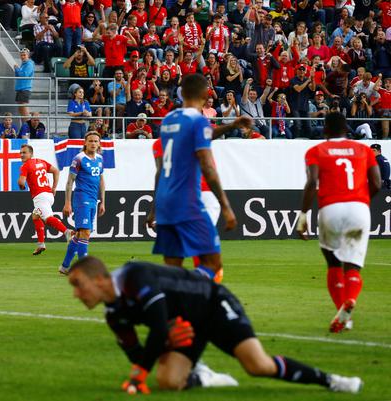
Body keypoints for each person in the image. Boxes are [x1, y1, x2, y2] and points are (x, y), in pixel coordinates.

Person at [67, 256, 364, 394]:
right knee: (169, 382)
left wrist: (139, 375)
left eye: (78, 285)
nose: (76, 294)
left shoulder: (134, 277)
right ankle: (206, 377)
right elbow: (138, 352)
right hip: (185, 322)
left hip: (213, 305)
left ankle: (332, 381)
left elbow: (157, 331)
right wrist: (147, 364)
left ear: (100, 279)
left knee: (257, 366)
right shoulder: (113, 315)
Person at [296, 112, 381, 334]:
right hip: (359, 208)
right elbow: (377, 182)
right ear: (347, 130)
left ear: (325, 130)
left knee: (333, 263)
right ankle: (350, 300)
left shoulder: (315, 151)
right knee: (352, 266)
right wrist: (362, 201)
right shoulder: (363, 150)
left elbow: (312, 181)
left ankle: (344, 315)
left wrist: (303, 215)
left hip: (330, 209)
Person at [147, 74, 236, 281]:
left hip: (167, 203)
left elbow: (160, 171)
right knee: (213, 265)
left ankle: (173, 310)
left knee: (172, 267)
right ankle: (193, 296)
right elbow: (207, 165)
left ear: (181, 93)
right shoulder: (199, 121)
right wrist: (225, 205)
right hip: (188, 201)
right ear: (206, 95)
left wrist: (155, 208)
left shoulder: (168, 121)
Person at [59, 132, 105, 274]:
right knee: (85, 232)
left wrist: (103, 201)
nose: (93, 143)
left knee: (81, 234)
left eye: (96, 141)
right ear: (85, 143)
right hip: (81, 198)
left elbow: (101, 181)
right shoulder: (78, 159)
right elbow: (69, 182)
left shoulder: (100, 159)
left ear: (99, 143)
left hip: (93, 199)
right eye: (90, 141)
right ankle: (84, 269)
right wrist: (67, 202)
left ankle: (65, 267)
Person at [18, 144, 73, 255]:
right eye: (21, 153)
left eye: (24, 152)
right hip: (48, 195)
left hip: (40, 197)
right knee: (35, 216)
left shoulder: (25, 166)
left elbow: (21, 182)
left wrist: (22, 186)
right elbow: (56, 171)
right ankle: (41, 244)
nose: (22, 155)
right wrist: (54, 187)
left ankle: (67, 232)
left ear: (31, 154)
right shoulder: (41, 162)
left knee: (48, 219)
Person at [14, 48, 34, 121]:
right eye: (21, 55)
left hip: (25, 89)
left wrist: (17, 69)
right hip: (20, 89)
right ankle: (25, 127)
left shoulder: (29, 64)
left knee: (24, 110)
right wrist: (17, 70)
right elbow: (18, 76)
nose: (22, 56)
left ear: (28, 55)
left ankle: (28, 128)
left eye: (24, 55)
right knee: (21, 110)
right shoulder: (23, 64)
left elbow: (24, 75)